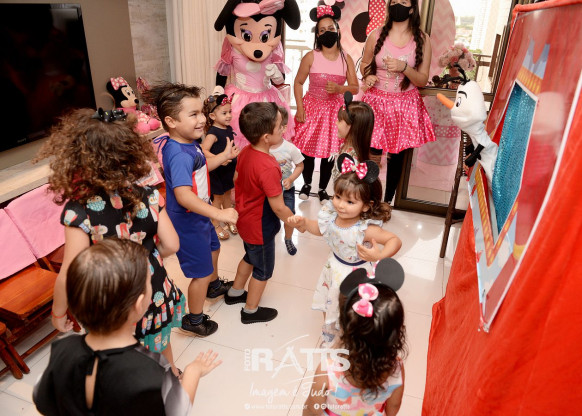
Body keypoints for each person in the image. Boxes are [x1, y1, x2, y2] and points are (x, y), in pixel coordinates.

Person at [35, 107, 185, 376]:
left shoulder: (80, 211)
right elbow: (172, 244)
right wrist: (149, 256)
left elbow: (69, 272)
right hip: (152, 288)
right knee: (161, 342)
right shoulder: (149, 195)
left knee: (119, 354)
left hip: (110, 297)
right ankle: (172, 376)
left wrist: (58, 313)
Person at [33, 239, 221, 415]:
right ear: (139, 305)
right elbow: (177, 410)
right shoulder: (151, 367)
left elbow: (41, 398)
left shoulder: (62, 349)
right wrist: (193, 371)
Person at [144, 82, 239, 337]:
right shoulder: (179, 154)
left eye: (201, 113)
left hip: (200, 214)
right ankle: (194, 319)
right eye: (193, 114)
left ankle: (213, 286)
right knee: (201, 273)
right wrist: (219, 213)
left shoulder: (188, 143)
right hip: (188, 220)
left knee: (214, 248)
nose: (202, 120)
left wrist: (223, 157)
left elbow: (200, 169)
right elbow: (184, 196)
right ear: (171, 121)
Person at [289, 154, 402, 346]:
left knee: (352, 310)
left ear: (366, 206)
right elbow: (321, 230)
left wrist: (380, 254)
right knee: (330, 301)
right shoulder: (331, 217)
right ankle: (332, 332)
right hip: (333, 268)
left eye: (350, 202)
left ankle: (352, 338)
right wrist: (305, 223)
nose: (340, 205)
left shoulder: (365, 229)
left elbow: (394, 240)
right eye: (338, 197)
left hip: (356, 274)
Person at [224, 102, 299, 324]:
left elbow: (237, 179)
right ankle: (250, 311)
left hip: (245, 219)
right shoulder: (268, 166)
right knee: (263, 269)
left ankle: (235, 292)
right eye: (280, 125)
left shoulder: (246, 152)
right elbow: (278, 207)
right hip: (260, 226)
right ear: (267, 137)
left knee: (250, 256)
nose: (283, 128)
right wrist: (294, 221)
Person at [303, 258, 407, 416]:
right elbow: (393, 406)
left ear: (344, 327)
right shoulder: (396, 369)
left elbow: (312, 409)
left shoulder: (328, 371)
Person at [360, 0, 435, 204]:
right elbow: (364, 63)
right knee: (371, 154)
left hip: (405, 106)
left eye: (403, 2)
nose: (398, 5)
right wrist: (368, 75)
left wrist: (404, 67)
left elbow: (422, 79)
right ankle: (368, 199)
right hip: (375, 103)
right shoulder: (376, 35)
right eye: (394, 1)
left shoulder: (422, 39)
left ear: (412, 9)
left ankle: (386, 202)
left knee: (397, 157)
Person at [293, 5, 359, 204]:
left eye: (330, 28)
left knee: (329, 153)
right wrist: (300, 108)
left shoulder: (346, 59)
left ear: (337, 30)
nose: (327, 33)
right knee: (307, 150)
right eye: (322, 30)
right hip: (312, 108)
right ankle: (306, 184)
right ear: (317, 35)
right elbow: (298, 82)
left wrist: (340, 89)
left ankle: (322, 189)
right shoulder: (311, 56)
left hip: (334, 112)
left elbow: (355, 88)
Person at [201, 93, 238, 241]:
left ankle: (228, 218)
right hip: (217, 171)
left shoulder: (228, 128)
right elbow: (203, 150)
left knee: (228, 193)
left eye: (230, 112)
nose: (228, 116)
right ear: (212, 116)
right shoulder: (213, 132)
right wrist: (219, 159)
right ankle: (215, 223)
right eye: (224, 113)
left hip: (228, 170)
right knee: (218, 197)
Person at [269, 106, 304, 255]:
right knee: (269, 216)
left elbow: (300, 165)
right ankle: (269, 239)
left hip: (287, 190)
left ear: (283, 128)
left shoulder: (290, 148)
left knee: (289, 216)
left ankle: (288, 239)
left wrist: (290, 178)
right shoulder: (263, 148)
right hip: (268, 191)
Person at [330, 93, 374, 183]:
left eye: (340, 120)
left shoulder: (352, 160)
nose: (336, 123)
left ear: (353, 126)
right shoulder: (346, 147)